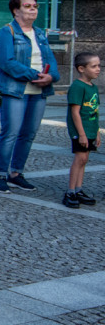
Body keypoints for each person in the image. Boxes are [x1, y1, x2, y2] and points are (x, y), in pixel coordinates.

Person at [0, 0, 60, 194]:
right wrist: (33, 75)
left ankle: (16, 173)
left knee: (28, 134)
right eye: (28, 6)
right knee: (10, 133)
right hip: (15, 90)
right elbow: (6, 62)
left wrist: (51, 76)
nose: (33, 10)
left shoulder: (40, 33)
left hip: (39, 91)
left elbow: (51, 60)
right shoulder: (7, 32)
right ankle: (0, 175)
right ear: (15, 11)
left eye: (35, 6)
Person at [65, 52, 100, 209]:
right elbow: (75, 112)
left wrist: (97, 132)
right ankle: (70, 191)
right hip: (81, 131)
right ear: (81, 69)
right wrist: (82, 134)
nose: (98, 69)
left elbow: (95, 111)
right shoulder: (77, 87)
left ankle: (79, 189)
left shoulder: (94, 87)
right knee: (79, 159)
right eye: (94, 66)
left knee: (85, 160)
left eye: (99, 65)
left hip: (91, 129)